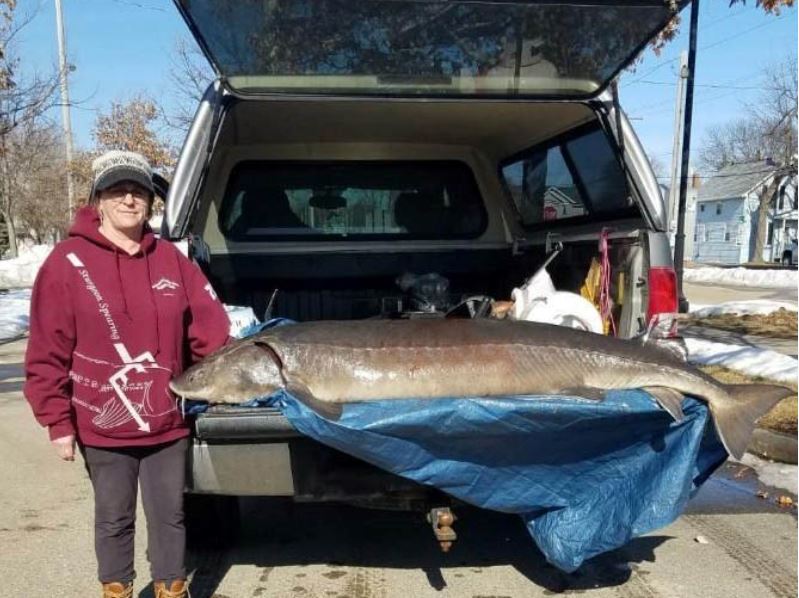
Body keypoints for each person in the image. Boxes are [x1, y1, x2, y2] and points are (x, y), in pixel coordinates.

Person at [24, 150, 230, 598]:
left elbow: (209, 330)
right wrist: (57, 420)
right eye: (118, 191)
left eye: (138, 192)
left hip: (167, 420)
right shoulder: (67, 263)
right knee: (114, 518)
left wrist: (223, 380)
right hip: (103, 425)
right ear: (98, 200)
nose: (130, 200)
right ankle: (115, 590)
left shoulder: (173, 261)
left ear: (150, 204)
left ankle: (171, 589)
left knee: (170, 516)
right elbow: (46, 348)